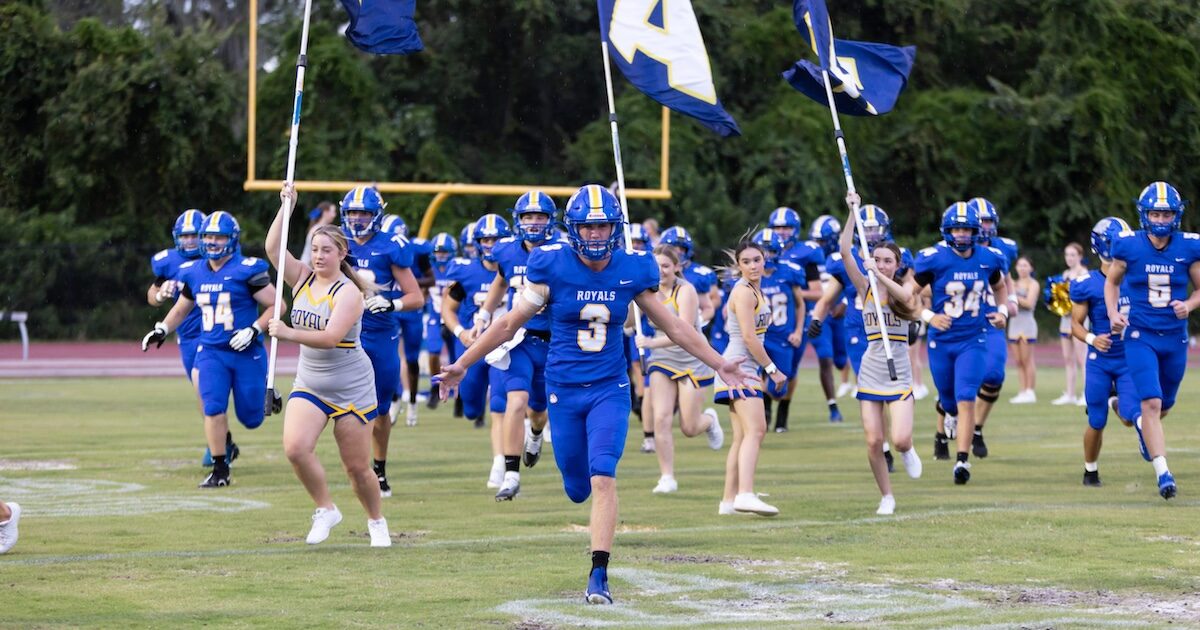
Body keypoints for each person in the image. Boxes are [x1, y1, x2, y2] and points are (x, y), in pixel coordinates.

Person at [435, 184, 749, 604]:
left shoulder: (633, 268)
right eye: (589, 226)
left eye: (603, 226)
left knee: (604, 477)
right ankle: (549, 457)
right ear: (574, 228)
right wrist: (463, 363)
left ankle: (598, 574)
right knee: (577, 488)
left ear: (615, 228)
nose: (597, 235)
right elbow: (508, 323)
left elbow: (674, 326)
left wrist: (719, 362)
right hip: (562, 389)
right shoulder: (551, 265)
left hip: (610, 388)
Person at [266, 184, 390, 547]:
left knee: (356, 468)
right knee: (295, 448)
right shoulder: (302, 278)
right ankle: (326, 509)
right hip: (311, 382)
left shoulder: (349, 292)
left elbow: (331, 338)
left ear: (341, 253)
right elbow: (273, 249)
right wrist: (285, 209)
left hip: (351, 385)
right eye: (315, 250)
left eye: (326, 251)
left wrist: (286, 332)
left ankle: (376, 520)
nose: (319, 256)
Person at [141, 211, 276, 488]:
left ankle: (264, 388)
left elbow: (278, 306)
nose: (212, 242)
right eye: (208, 237)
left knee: (251, 418)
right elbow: (180, 308)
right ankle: (220, 469)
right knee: (212, 406)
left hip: (245, 350)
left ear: (232, 239)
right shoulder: (193, 271)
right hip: (210, 349)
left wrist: (253, 329)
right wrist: (162, 329)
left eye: (219, 237)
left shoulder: (248, 269)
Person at [1107, 181, 1200, 500]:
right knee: (1152, 402)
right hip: (1139, 334)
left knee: (1164, 405)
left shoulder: (1189, 246)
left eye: (1166, 213)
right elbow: (1112, 283)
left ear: (1176, 215)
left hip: (1174, 338)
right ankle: (1164, 473)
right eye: (1155, 213)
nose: (1160, 219)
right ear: (1144, 214)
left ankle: (1141, 427)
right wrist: (1112, 313)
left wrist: (1188, 305)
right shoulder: (1128, 245)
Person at [913, 201, 1009, 483]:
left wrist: (1002, 311)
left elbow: (1000, 287)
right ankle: (948, 416)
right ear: (947, 230)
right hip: (941, 340)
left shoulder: (988, 258)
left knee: (967, 396)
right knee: (949, 399)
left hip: (973, 337)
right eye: (957, 229)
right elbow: (909, 295)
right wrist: (929, 316)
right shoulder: (933, 258)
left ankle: (962, 462)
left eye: (967, 229)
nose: (963, 234)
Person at [839, 196, 923, 514]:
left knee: (900, 439)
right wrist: (851, 213)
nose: (881, 263)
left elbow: (905, 297)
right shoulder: (866, 289)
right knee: (874, 441)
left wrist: (880, 273)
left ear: (896, 264)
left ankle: (907, 449)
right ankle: (886, 496)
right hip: (871, 368)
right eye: (877, 258)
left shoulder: (904, 287)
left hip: (899, 370)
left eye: (888, 260)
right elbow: (845, 251)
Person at [341, 188, 425, 499]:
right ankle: (356, 466)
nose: (357, 218)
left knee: (378, 411)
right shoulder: (337, 244)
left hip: (379, 334)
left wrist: (392, 305)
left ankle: (379, 467)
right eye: (353, 212)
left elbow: (416, 297)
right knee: (341, 406)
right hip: (342, 334)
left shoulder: (390, 247)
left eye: (363, 212)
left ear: (376, 214)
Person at [477, 191, 559, 500]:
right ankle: (511, 474)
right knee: (515, 401)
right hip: (520, 339)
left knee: (539, 411)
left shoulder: (562, 251)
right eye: (528, 217)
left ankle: (536, 433)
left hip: (554, 340)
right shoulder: (507, 251)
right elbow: (501, 278)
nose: (534, 223)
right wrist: (485, 312)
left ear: (550, 221)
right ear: (518, 220)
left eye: (540, 217)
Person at [636, 244, 725, 494]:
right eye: (656, 266)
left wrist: (651, 341)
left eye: (666, 266)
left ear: (677, 266)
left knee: (688, 427)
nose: (661, 271)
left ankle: (708, 421)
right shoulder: (646, 290)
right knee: (661, 417)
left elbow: (684, 331)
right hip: (662, 360)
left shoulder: (685, 290)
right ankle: (667, 477)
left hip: (690, 359)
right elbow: (632, 320)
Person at [147, 209, 231, 466]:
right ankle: (221, 441)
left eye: (194, 235)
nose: (189, 241)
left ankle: (220, 445)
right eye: (184, 236)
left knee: (206, 391)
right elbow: (152, 293)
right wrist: (161, 295)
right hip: (187, 337)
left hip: (215, 334)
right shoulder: (169, 262)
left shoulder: (220, 258)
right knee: (202, 394)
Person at [1069, 217, 1145, 488]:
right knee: (1096, 420)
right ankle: (1090, 470)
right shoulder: (1086, 283)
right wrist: (1092, 338)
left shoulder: (1138, 277)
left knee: (1129, 416)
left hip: (1130, 357)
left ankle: (1118, 403)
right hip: (1100, 360)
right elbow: (1074, 325)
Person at [714, 238, 789, 517]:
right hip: (740, 368)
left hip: (740, 366)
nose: (753, 265)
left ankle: (728, 501)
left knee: (742, 436)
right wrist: (772, 369)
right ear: (738, 265)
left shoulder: (752, 291)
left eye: (756, 260)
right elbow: (748, 336)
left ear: (764, 260)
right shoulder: (744, 292)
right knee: (756, 431)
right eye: (746, 261)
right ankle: (745, 494)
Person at [442, 214, 512, 487]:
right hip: (473, 346)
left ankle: (500, 463)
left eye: (495, 238)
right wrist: (460, 332)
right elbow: (448, 308)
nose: (490, 244)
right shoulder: (465, 270)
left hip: (506, 346)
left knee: (499, 405)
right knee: (471, 408)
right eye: (485, 239)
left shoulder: (516, 266)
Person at [962, 198, 1017, 459]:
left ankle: (977, 429)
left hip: (991, 318)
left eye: (988, 221)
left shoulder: (1001, 249)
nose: (985, 226)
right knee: (958, 386)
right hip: (961, 321)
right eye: (980, 220)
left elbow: (1006, 282)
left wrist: (1010, 304)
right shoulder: (949, 250)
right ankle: (942, 432)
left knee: (994, 374)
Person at [767, 207, 824, 431]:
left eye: (786, 227)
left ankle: (783, 412)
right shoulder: (763, 250)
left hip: (793, 320)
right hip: (766, 321)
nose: (781, 232)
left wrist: (788, 292)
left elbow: (817, 291)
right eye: (777, 227)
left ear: (796, 229)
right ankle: (765, 409)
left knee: (790, 370)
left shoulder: (804, 254)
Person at [748, 228, 807, 433]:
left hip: (783, 336)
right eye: (762, 253)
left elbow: (800, 305)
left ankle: (776, 408)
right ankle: (763, 414)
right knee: (753, 378)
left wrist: (798, 331)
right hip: (759, 337)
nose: (766, 257)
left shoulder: (790, 271)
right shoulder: (748, 276)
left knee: (778, 387)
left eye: (770, 252)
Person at [804, 215, 850, 422]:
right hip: (818, 314)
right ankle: (832, 406)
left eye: (821, 241)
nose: (817, 245)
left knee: (841, 361)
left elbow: (856, 284)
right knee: (825, 357)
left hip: (839, 315)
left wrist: (846, 303)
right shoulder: (807, 258)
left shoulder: (845, 256)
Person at [1054, 242, 1090, 406]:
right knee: (1068, 359)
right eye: (1067, 255)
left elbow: (1086, 298)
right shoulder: (1065, 273)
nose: (1069, 258)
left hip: (1079, 319)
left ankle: (1086, 394)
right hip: (1065, 319)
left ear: (1080, 257)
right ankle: (1070, 394)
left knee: (1082, 358)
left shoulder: (1084, 273)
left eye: (1073, 255)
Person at [1008, 256, 1040, 403]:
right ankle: (1022, 391)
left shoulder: (1033, 284)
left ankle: (1030, 391)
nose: (1022, 268)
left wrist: (1013, 295)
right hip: (1014, 324)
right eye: (1019, 265)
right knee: (1018, 360)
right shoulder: (1012, 283)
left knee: (1028, 359)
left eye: (1025, 265)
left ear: (1031, 268)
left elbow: (1028, 303)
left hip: (1027, 324)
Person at [300, 201, 337, 266]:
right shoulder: (318, 230)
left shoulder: (319, 228)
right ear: (325, 212)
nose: (334, 215)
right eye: (333, 212)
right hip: (310, 266)